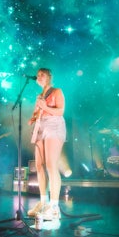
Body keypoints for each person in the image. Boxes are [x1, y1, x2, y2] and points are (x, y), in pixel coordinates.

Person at [27, 68, 66, 220]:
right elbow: (36, 112)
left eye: (42, 74)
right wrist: (33, 117)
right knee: (39, 165)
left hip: (54, 126)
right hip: (40, 127)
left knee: (51, 165)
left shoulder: (57, 91)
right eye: (38, 74)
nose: (38, 76)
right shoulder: (39, 96)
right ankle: (44, 202)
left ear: (49, 76)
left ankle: (55, 207)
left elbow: (60, 111)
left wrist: (45, 107)